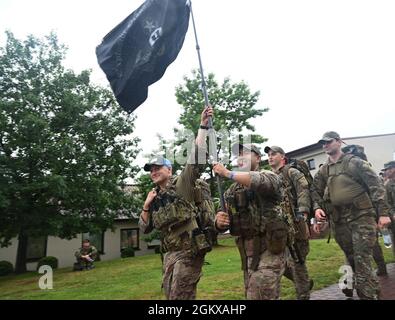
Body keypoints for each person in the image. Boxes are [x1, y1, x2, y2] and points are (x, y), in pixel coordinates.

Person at [139, 106, 214, 300]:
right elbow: (144, 229)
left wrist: (202, 126)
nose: (153, 171)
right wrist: (146, 205)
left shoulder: (182, 184)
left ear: (169, 170)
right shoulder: (154, 197)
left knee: (179, 297)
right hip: (170, 253)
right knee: (170, 295)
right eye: (151, 169)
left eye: (158, 168)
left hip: (189, 249)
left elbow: (196, 157)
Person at [311, 131, 391, 299]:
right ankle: (373, 290)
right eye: (322, 143)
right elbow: (315, 191)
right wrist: (317, 208)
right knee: (353, 259)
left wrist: (383, 213)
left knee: (362, 261)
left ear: (339, 142)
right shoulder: (324, 170)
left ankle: (367, 295)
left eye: (328, 142)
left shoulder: (355, 163)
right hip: (339, 222)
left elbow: (376, 186)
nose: (325, 145)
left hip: (362, 217)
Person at [213, 143, 289, 300]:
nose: (241, 157)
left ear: (258, 158)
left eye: (246, 153)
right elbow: (223, 218)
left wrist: (227, 173)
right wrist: (219, 222)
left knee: (258, 292)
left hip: (270, 248)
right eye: (238, 154)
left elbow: (258, 181)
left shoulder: (270, 176)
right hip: (248, 252)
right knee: (261, 294)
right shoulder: (232, 191)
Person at [265, 145, 313, 300]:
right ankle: (304, 282)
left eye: (274, 154)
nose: (270, 157)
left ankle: (303, 294)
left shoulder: (291, 172)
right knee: (279, 262)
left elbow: (303, 190)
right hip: (277, 227)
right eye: (269, 155)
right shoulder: (268, 176)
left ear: (282, 156)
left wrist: (303, 211)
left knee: (297, 261)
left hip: (295, 224)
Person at [383, 160, 395, 257]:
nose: (386, 172)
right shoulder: (387, 185)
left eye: (388, 169)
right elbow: (387, 203)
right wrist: (393, 214)